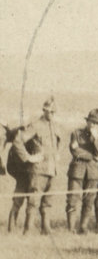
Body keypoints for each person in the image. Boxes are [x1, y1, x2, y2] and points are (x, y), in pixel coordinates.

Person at [12, 97, 61, 234]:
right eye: (48, 111)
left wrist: (58, 155)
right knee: (34, 201)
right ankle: (28, 229)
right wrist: (28, 158)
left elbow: (58, 144)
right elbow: (17, 141)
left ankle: (46, 229)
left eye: (53, 112)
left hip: (52, 170)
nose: (50, 114)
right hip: (38, 170)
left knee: (48, 201)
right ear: (44, 111)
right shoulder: (36, 125)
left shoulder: (56, 126)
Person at [66, 108, 98, 233]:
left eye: (95, 123)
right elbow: (74, 151)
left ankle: (83, 227)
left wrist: (96, 139)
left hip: (93, 174)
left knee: (89, 201)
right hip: (77, 172)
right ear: (87, 121)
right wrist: (93, 157)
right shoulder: (76, 133)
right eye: (91, 122)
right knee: (72, 200)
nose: (93, 125)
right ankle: (71, 228)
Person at [4, 122, 30, 232]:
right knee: (18, 201)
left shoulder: (24, 144)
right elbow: (11, 167)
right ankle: (12, 226)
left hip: (26, 175)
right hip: (23, 177)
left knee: (27, 201)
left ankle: (15, 226)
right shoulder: (16, 147)